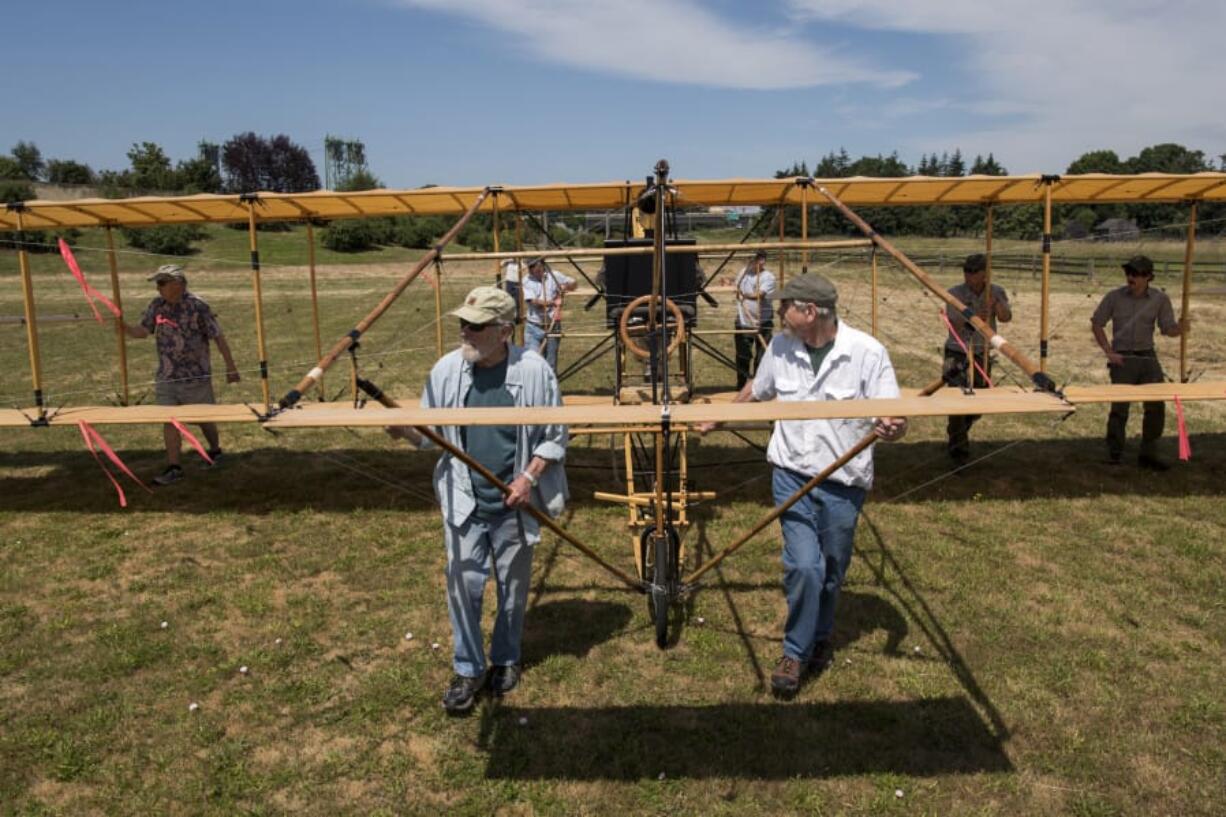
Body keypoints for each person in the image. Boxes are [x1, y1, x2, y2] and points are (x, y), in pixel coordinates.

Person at [705, 273, 907, 698]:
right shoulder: (779, 347)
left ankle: (821, 635)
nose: (777, 312)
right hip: (790, 472)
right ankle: (795, 652)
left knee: (832, 571)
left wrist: (893, 427)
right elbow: (756, 390)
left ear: (810, 312)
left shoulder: (868, 353)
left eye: (785, 306)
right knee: (804, 566)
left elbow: (894, 416)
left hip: (843, 481)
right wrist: (720, 417)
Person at [386, 286, 568, 714]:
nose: (465, 331)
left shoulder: (536, 372)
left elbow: (554, 437)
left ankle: (506, 659)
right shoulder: (447, 370)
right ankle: (468, 668)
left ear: (504, 331)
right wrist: (404, 430)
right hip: (463, 500)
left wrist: (527, 479)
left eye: (476, 325)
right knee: (463, 586)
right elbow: (430, 437)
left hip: (514, 502)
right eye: (462, 323)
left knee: (513, 588)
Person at [121, 264, 240, 486]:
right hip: (166, 376)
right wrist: (123, 327)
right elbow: (143, 332)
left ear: (178, 284)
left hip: (196, 376)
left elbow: (218, 337)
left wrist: (230, 367)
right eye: (157, 284)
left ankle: (215, 451)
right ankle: (174, 467)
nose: (158, 288)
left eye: (162, 283)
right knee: (170, 420)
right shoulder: (156, 306)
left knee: (203, 419)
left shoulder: (198, 306)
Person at [1091, 254, 1185, 470]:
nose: (1131, 277)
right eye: (1129, 273)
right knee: (1120, 407)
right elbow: (1097, 323)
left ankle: (1149, 454)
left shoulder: (1160, 299)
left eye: (1136, 274)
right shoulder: (1114, 297)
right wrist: (1109, 352)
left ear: (1148, 277)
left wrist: (1180, 329)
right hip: (1122, 358)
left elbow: (1167, 329)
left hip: (1147, 357)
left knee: (1155, 406)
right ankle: (1114, 453)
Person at [942, 253, 1012, 464]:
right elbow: (955, 323)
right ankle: (959, 452)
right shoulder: (954, 293)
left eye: (974, 272)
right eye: (966, 271)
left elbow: (1006, 317)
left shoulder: (996, 291)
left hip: (982, 352)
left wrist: (995, 305)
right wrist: (976, 316)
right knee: (956, 400)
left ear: (984, 274)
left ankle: (958, 429)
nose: (969, 276)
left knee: (980, 401)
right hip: (957, 351)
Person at [731, 250, 777, 389]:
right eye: (754, 258)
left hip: (763, 322)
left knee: (762, 357)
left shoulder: (768, 277)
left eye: (760, 259)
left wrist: (743, 295)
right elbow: (735, 287)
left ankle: (758, 387)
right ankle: (741, 386)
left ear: (763, 260)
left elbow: (760, 295)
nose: (758, 262)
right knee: (743, 356)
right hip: (744, 321)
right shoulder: (744, 272)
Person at [521, 257, 576, 372]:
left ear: (541, 266)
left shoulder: (554, 275)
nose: (531, 270)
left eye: (534, 267)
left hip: (552, 326)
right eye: (529, 267)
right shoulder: (526, 280)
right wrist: (554, 302)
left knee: (550, 364)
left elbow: (574, 283)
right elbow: (533, 301)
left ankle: (550, 389)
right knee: (532, 362)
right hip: (533, 326)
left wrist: (565, 287)